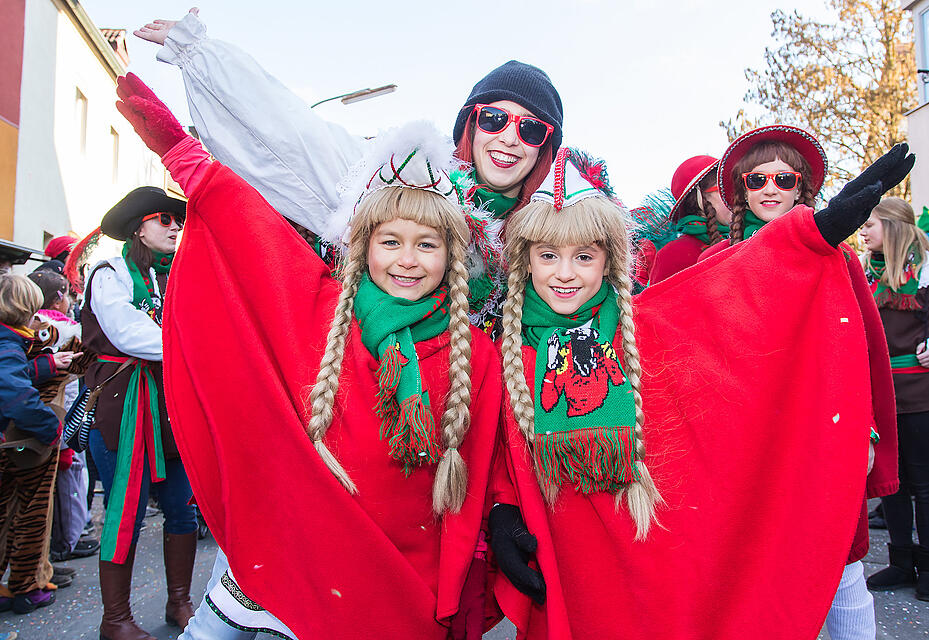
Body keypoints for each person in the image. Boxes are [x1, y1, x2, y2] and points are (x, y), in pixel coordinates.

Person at [116, 70, 507, 639]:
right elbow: (252, 235)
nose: (408, 260)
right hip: (299, 558)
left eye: (428, 244)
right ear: (363, 246)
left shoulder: (481, 358)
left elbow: (491, 463)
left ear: (452, 256)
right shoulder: (322, 309)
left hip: (402, 583)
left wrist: (499, 518)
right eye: (390, 242)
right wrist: (181, 152)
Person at [486, 145, 912, 639]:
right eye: (547, 255)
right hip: (564, 566)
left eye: (584, 256)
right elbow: (501, 447)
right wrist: (503, 508)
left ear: (609, 260)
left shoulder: (647, 326)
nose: (565, 273)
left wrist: (811, 235)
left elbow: (734, 296)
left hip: (641, 565)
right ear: (526, 261)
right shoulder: (511, 352)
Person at [134, 8, 564, 334]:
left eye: (530, 128)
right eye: (493, 118)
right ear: (470, 125)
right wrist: (202, 57)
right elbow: (296, 138)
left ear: (544, 149)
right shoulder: (410, 181)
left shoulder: (554, 234)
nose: (509, 138)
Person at [695, 125, 901, 639]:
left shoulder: (841, 260)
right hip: (748, 445)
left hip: (826, 435)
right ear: (740, 190)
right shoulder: (714, 264)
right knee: (761, 570)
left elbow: (866, 353)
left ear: (801, 187)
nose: (769, 188)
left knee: (844, 568)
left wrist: (868, 429)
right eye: (756, 178)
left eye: (783, 178)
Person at [66, 187, 198, 640]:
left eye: (178, 220)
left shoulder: (180, 274)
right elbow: (128, 333)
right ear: (139, 227)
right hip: (123, 406)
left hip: (172, 404)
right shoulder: (109, 271)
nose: (175, 227)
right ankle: (115, 619)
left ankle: (180, 600)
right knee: (127, 510)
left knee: (184, 507)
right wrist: (197, 347)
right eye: (165, 218)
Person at [861, 197, 929, 602]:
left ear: (893, 225)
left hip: (921, 394)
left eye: (871, 223)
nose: (863, 231)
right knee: (893, 483)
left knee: (924, 484)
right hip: (883, 395)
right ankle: (902, 562)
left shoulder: (924, 272)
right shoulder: (867, 274)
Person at [0, 274, 63, 614]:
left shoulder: (9, 342)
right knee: (27, 516)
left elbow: (15, 374)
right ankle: (25, 587)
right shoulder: (7, 343)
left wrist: (48, 364)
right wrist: (49, 425)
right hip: (11, 445)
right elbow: (15, 396)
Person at [649, 155, 730, 283]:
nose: (733, 196)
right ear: (699, 199)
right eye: (723, 189)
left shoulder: (744, 239)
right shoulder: (673, 254)